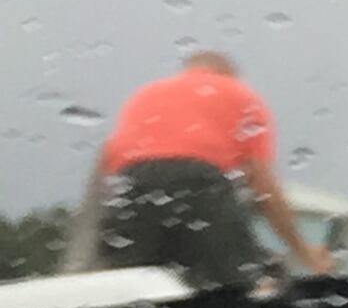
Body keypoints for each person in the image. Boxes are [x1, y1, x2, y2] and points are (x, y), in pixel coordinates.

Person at [76, 49, 334, 287]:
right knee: (251, 284)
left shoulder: (144, 95)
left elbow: (103, 176)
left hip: (131, 187)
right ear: (229, 74)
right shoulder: (240, 94)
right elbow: (264, 187)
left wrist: (85, 263)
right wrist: (305, 253)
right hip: (199, 184)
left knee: (128, 289)